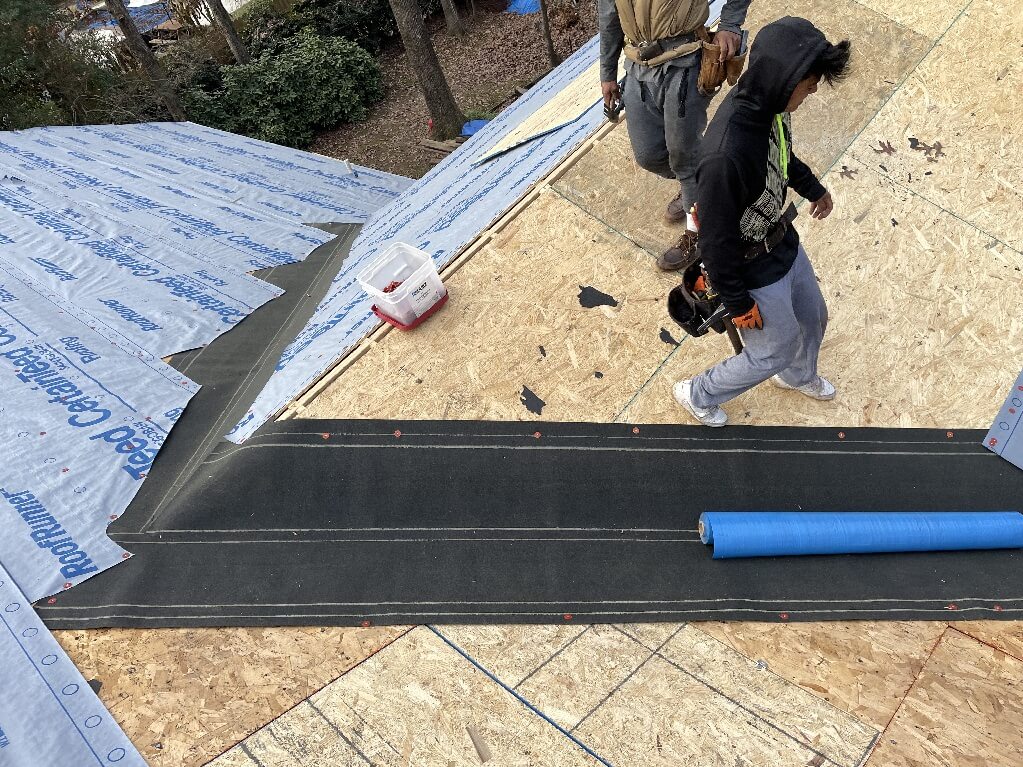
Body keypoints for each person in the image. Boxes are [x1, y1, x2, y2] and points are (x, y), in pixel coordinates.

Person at [673, 17, 852, 427]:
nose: (812, 93)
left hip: (782, 241)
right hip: (749, 265)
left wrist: (814, 189)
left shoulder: (772, 107)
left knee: (813, 317)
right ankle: (697, 393)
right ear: (785, 79)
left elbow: (783, 159)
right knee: (772, 349)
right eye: (809, 84)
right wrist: (738, 304)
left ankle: (797, 376)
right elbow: (714, 243)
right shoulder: (725, 156)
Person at [598, 0, 751, 270]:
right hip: (638, 63)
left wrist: (730, 24)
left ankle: (699, 235)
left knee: (685, 156)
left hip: (685, 59)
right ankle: (701, 188)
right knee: (649, 155)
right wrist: (607, 72)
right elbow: (609, 12)